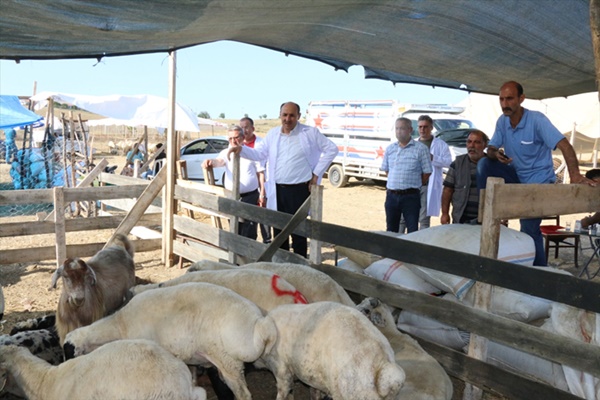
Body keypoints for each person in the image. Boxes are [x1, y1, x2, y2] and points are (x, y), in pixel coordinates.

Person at [477, 81, 595, 266]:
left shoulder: (537, 120)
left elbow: (565, 145)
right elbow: (491, 148)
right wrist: (495, 154)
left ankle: (540, 271)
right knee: (484, 162)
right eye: (501, 99)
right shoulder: (502, 121)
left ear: (521, 99)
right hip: (515, 177)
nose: (504, 104)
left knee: (529, 228)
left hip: (538, 182)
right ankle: (487, 209)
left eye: (509, 99)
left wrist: (575, 176)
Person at [228, 102, 338, 258]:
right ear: (280, 115)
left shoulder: (310, 133)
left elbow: (331, 149)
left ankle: (299, 268)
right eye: (285, 115)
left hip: (299, 191)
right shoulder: (273, 134)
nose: (288, 119)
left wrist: (316, 174)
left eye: (292, 115)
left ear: (298, 116)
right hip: (278, 191)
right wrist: (242, 150)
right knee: (279, 232)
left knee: (299, 233)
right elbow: (260, 154)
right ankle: (281, 267)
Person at [203, 125, 263, 240]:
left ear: (242, 137)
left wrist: (262, 194)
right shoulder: (226, 152)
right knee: (234, 227)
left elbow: (260, 174)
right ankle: (235, 255)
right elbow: (219, 162)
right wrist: (210, 162)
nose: (233, 141)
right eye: (230, 139)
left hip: (250, 197)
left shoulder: (251, 153)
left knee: (249, 229)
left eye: (236, 137)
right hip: (231, 196)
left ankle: (248, 256)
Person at [399, 115, 452, 232]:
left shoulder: (440, 144)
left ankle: (421, 244)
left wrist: (433, 158)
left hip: (428, 186)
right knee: (404, 217)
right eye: (420, 127)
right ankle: (399, 240)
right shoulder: (411, 144)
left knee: (423, 218)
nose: (423, 130)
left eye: (426, 127)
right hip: (411, 185)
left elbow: (449, 162)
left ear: (431, 127)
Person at [380, 117, 432, 233]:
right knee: (391, 229)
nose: (399, 131)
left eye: (402, 128)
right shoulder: (390, 149)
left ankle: (410, 251)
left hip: (411, 196)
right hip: (392, 195)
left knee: (412, 229)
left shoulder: (420, 149)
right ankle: (392, 250)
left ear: (410, 130)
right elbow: (387, 170)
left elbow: (427, 171)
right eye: (397, 128)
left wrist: (414, 184)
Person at [441, 130, 489, 224]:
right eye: (469, 142)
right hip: (461, 218)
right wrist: (444, 214)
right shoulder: (458, 164)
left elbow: (502, 193)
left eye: (477, 142)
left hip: (486, 220)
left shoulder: (492, 165)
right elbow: (447, 190)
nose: (472, 146)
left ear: (484, 145)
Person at [239, 116, 272, 244]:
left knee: (264, 217)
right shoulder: (239, 144)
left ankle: (267, 242)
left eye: (246, 127)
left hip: (263, 185)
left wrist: (263, 191)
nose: (244, 130)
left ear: (252, 128)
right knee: (250, 220)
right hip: (249, 190)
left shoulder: (261, 144)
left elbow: (262, 170)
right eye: (241, 127)